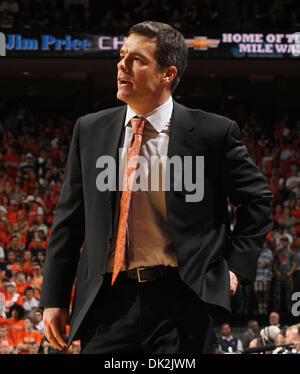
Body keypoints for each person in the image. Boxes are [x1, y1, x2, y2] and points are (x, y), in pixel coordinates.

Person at [40, 21, 273, 354]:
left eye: (137, 59)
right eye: (122, 57)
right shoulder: (90, 130)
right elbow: (69, 221)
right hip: (107, 300)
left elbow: (258, 201)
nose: (122, 65)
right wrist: (54, 298)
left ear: (167, 74)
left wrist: (235, 268)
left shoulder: (211, 133)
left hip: (182, 300)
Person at [272, 237, 297, 314]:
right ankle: (277, 310)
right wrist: (276, 271)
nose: (283, 243)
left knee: (289, 294)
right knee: (277, 294)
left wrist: (290, 272)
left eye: (284, 242)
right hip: (279, 274)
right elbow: (274, 263)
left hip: (288, 275)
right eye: (281, 242)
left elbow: (294, 264)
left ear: (288, 243)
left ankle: (289, 310)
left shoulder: (291, 253)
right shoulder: (277, 252)